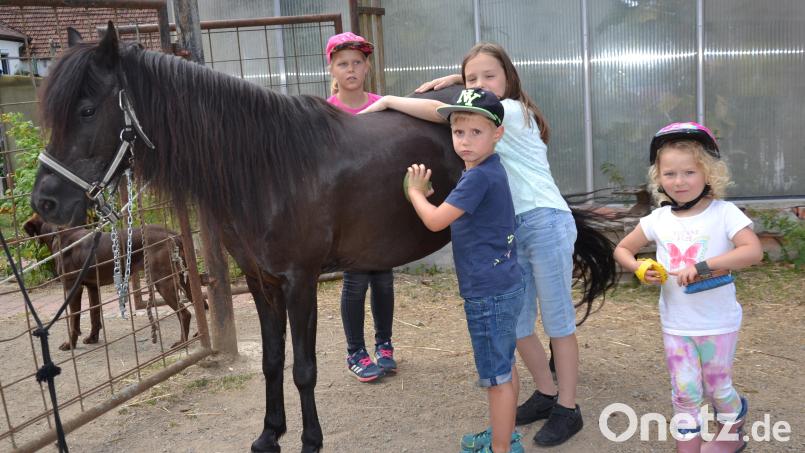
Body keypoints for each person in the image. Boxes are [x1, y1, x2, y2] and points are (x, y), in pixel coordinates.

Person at [362, 42, 584, 447]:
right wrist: (456, 83)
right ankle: (547, 392)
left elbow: (448, 111)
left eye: (490, 76)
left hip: (544, 220)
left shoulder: (512, 111)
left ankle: (568, 408)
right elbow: (470, 103)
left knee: (557, 321)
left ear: (510, 78)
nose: (481, 84)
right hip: (512, 229)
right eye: (472, 78)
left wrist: (392, 100)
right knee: (517, 326)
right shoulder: (484, 117)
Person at [613, 122, 762, 453]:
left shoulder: (724, 213)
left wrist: (703, 266)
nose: (679, 182)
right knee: (685, 391)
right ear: (659, 178)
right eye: (670, 174)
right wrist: (639, 267)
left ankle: (732, 429)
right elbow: (622, 249)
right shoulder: (658, 219)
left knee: (718, 387)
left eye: (689, 172)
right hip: (677, 325)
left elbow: (752, 251)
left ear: (708, 173)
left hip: (718, 322)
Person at [405, 87, 524, 453]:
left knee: (496, 377)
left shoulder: (478, 177)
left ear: (497, 133)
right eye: (459, 132)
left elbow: (437, 221)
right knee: (504, 366)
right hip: (504, 283)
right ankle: (505, 434)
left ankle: (500, 448)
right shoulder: (489, 169)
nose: (466, 141)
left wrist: (415, 193)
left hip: (487, 291)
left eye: (477, 132)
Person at [325, 31, 396, 382]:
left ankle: (385, 345)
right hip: (350, 215)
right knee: (356, 281)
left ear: (367, 66)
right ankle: (356, 351)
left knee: (384, 278)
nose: (350, 69)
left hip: (381, 209)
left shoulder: (383, 105)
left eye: (357, 62)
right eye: (343, 64)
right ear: (332, 70)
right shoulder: (327, 114)